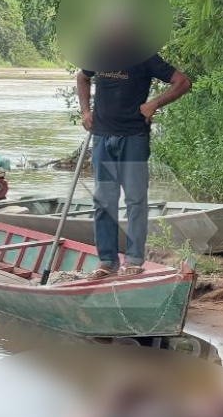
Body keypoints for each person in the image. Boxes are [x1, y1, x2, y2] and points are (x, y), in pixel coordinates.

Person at [76, 15, 192, 279]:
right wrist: (85, 112)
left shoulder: (145, 57)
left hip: (133, 138)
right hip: (103, 138)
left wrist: (154, 104)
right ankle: (106, 261)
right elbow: (82, 78)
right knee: (104, 202)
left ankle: (133, 260)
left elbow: (182, 82)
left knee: (135, 201)